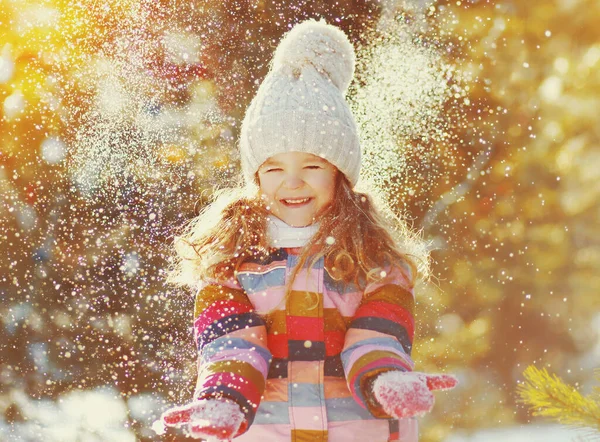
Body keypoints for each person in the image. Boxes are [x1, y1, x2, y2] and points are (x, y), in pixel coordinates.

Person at [155, 18, 457, 442]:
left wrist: (384, 379)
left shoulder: (373, 258)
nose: (292, 182)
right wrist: (224, 397)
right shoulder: (229, 262)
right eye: (274, 168)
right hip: (267, 431)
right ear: (256, 178)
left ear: (340, 175)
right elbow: (231, 344)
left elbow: (379, 332)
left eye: (311, 166)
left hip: (356, 431)